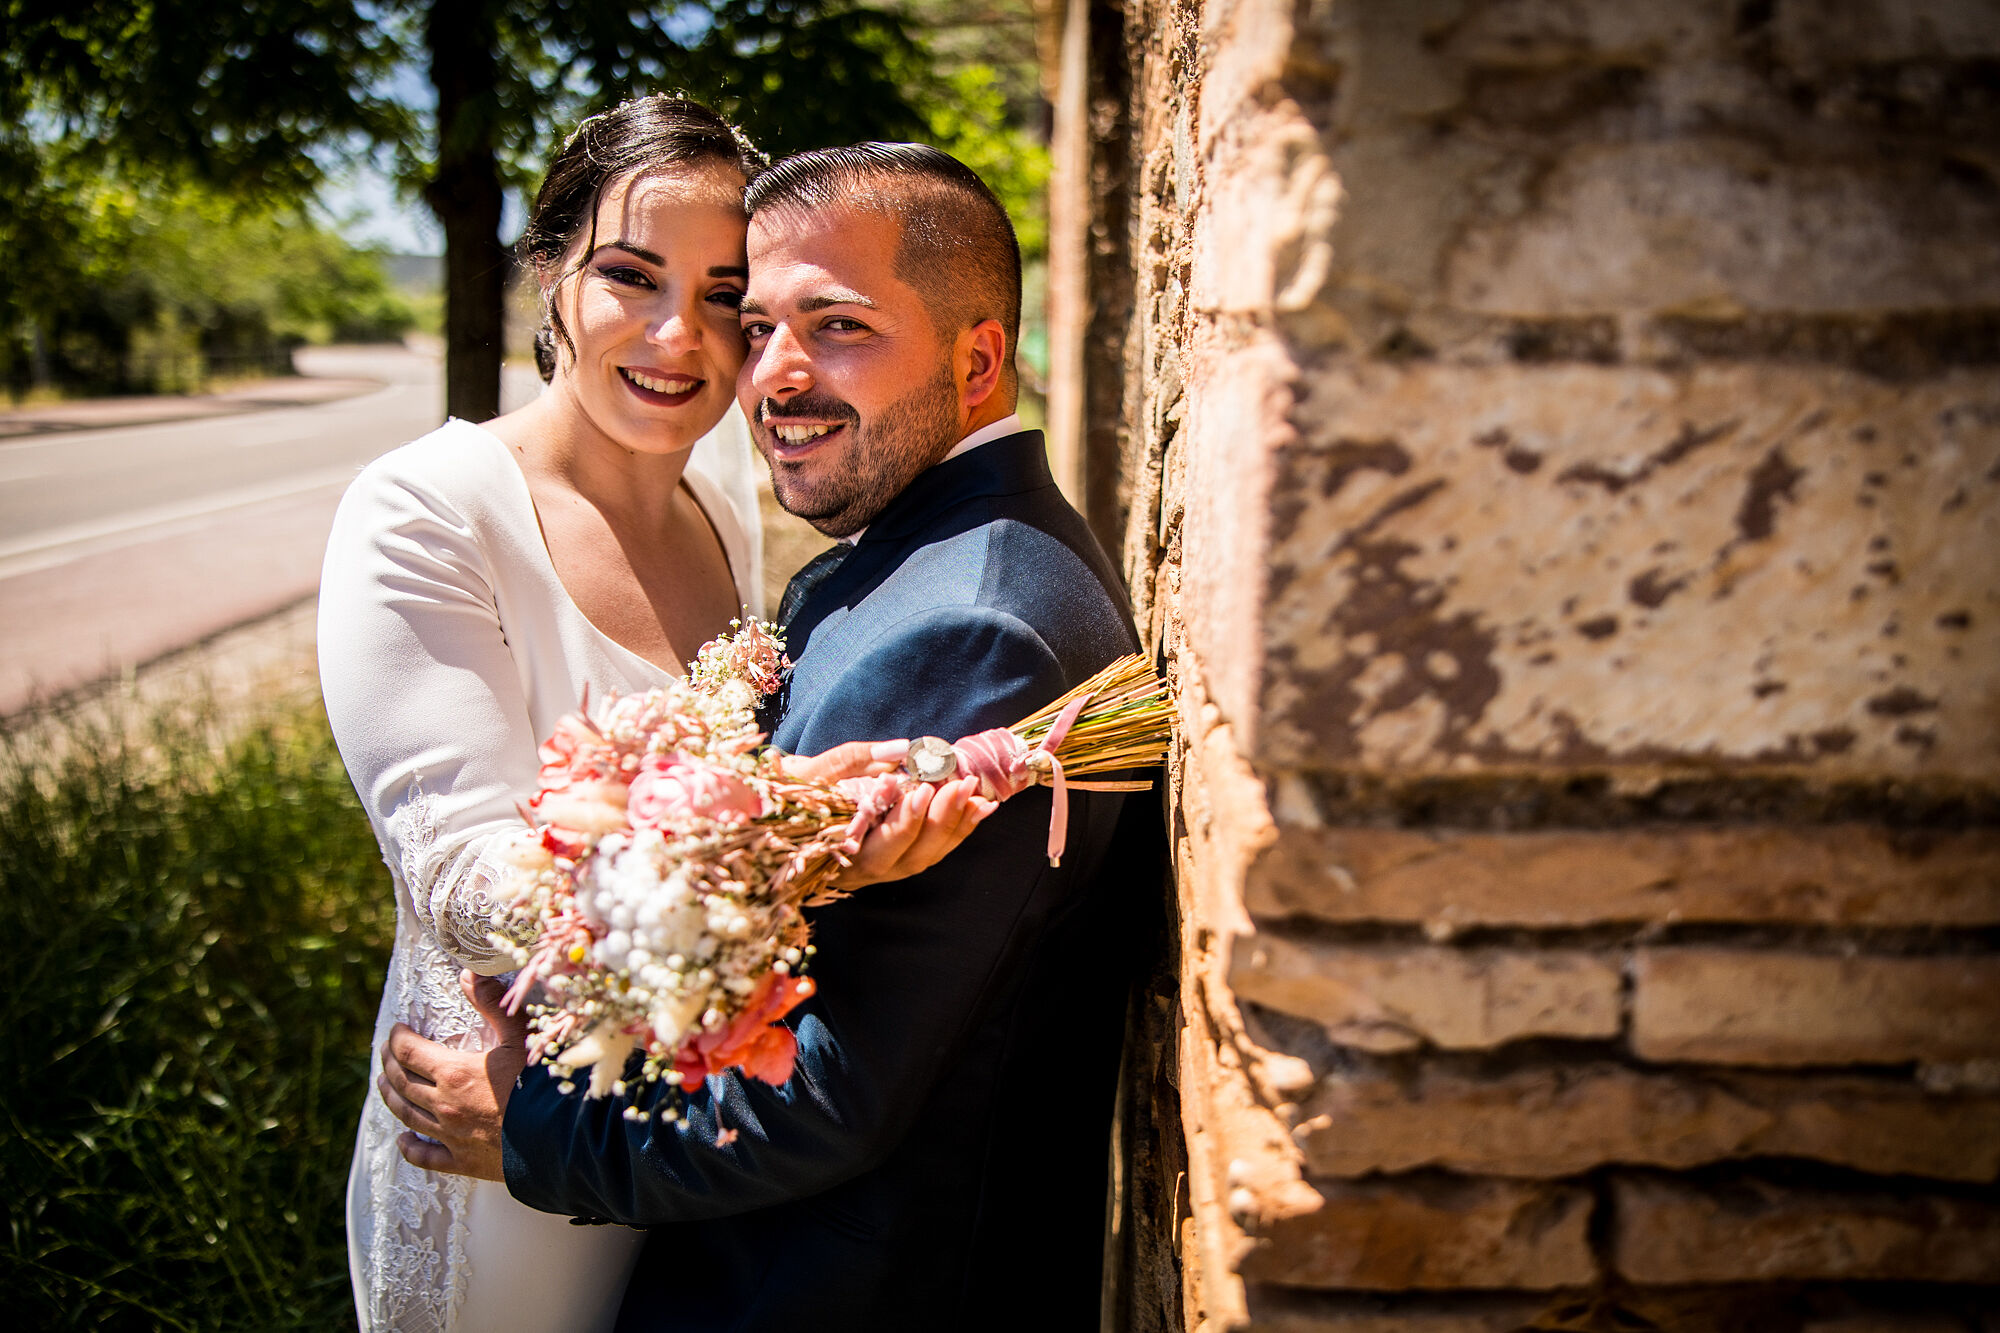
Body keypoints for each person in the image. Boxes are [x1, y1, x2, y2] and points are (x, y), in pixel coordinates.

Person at [377, 142, 1159, 1331]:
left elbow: (828, 1091)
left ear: (980, 358)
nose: (773, 377)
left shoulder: (967, 626)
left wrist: (531, 1127)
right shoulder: (915, 558)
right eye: (762, 326)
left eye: (838, 325)